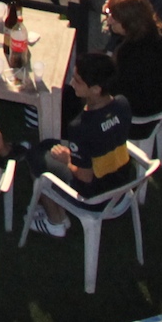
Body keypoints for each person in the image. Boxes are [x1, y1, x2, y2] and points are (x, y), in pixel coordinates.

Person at [26, 53, 136, 236]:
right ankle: (56, 211)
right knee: (48, 145)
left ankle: (55, 221)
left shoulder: (80, 126)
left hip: (95, 197)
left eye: (77, 81)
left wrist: (68, 159)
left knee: (35, 158)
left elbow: (85, 176)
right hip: (121, 182)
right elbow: (106, 137)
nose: (71, 83)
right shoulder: (122, 104)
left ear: (95, 89)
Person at [102, 0, 162, 119]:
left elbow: (116, 89)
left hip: (141, 111)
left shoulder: (130, 52)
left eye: (114, 18)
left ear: (129, 24)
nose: (109, 21)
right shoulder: (158, 32)